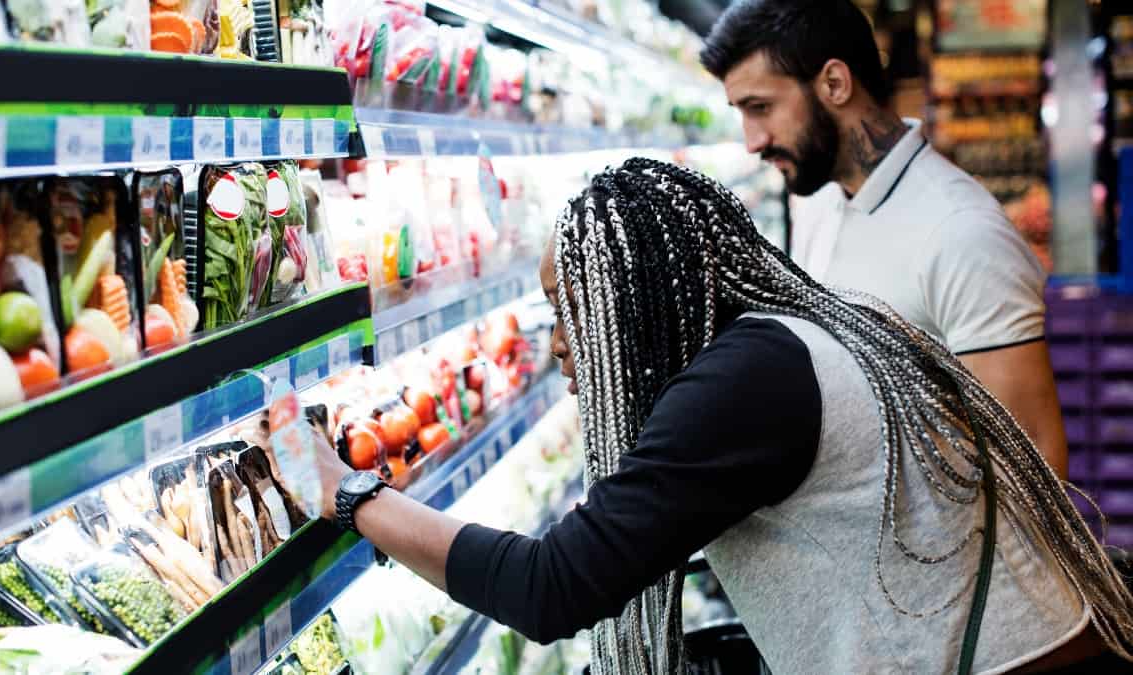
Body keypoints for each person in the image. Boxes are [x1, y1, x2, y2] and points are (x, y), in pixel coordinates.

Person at [309, 159, 1133, 674]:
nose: (558, 343)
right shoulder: (783, 340)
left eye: (569, 311)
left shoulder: (743, 384)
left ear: (630, 304)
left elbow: (553, 586)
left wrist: (356, 498)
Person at [699, 0, 1069, 479]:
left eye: (761, 108)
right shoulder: (819, 202)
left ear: (834, 83)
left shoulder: (962, 233)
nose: (752, 140)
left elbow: (1037, 463)